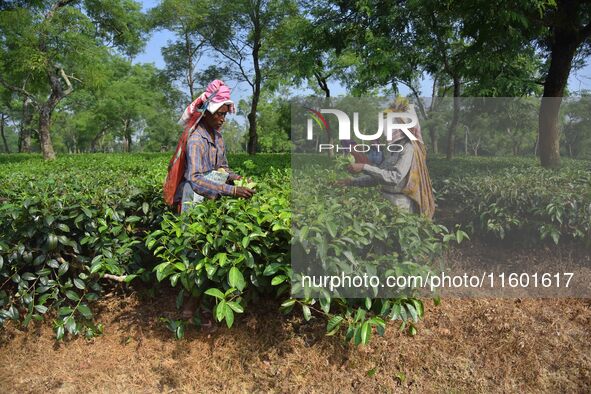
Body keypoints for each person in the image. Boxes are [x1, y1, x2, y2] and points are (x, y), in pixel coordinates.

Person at [337, 99, 435, 219]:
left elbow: (395, 177)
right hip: (386, 200)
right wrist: (352, 181)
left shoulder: (408, 148)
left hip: (400, 205)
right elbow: (380, 176)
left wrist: (364, 167)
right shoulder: (393, 148)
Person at [174, 80, 255, 212]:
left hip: (211, 196)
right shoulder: (196, 140)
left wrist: (239, 179)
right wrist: (232, 190)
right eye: (219, 114)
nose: (223, 119)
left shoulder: (218, 137)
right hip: (192, 198)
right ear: (206, 113)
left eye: (225, 114)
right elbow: (194, 179)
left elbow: (222, 168)